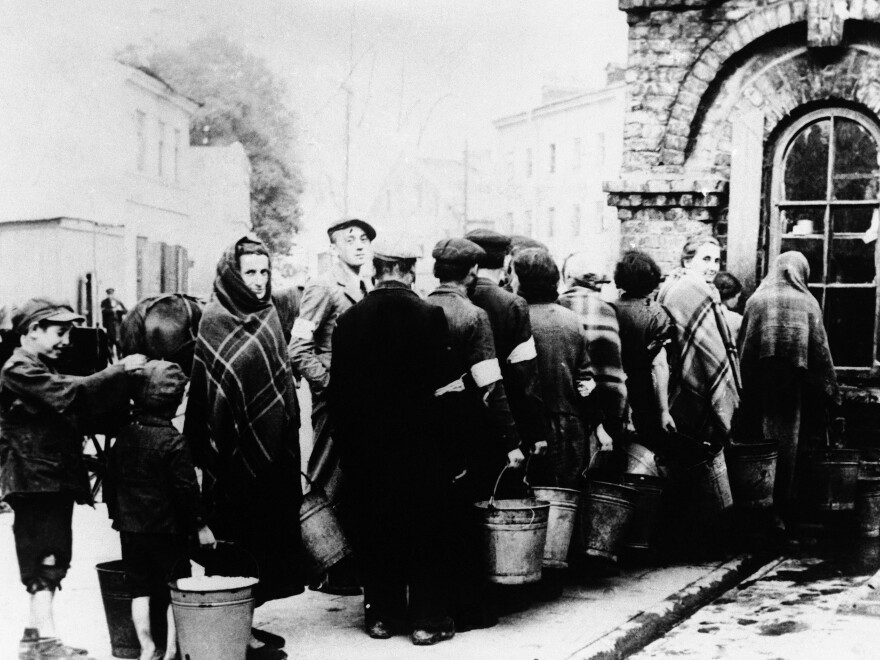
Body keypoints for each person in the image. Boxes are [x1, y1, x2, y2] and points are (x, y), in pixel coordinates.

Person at [0, 298, 145, 660]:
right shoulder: (19, 369)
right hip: (37, 482)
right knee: (46, 556)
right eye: (59, 331)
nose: (66, 340)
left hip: (47, 479)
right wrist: (120, 371)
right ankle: (43, 643)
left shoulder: (39, 366)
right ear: (33, 330)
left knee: (52, 555)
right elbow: (73, 393)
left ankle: (36, 639)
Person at [329, 236, 455, 646]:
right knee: (423, 531)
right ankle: (424, 621)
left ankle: (381, 617)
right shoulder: (430, 316)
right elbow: (444, 389)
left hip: (368, 450)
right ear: (408, 270)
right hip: (420, 448)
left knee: (375, 528)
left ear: (377, 270)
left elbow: (339, 396)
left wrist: (348, 451)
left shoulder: (350, 322)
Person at [185, 236, 304, 660]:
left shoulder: (270, 313)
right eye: (250, 272)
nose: (258, 281)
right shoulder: (214, 319)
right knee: (236, 537)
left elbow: (279, 380)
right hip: (231, 459)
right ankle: (236, 632)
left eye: (264, 271)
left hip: (272, 455)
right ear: (233, 274)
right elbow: (211, 393)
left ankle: (247, 621)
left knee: (266, 537)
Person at [426, 237, 523, 632]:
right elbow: (490, 385)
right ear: (471, 273)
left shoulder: (420, 307)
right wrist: (512, 440)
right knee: (464, 520)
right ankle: (465, 608)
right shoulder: (472, 315)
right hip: (463, 431)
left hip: (422, 429)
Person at [105, 360, 215, 660]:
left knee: (139, 590)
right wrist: (201, 525)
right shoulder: (174, 442)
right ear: (175, 402)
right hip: (168, 532)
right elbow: (187, 490)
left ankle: (147, 649)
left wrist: (118, 515)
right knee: (174, 588)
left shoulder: (124, 436)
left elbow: (110, 480)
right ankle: (170, 653)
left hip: (131, 530)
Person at [288, 218, 375, 595]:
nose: (358, 245)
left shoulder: (365, 285)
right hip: (334, 400)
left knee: (353, 478)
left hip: (359, 401)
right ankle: (323, 567)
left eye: (364, 239)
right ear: (334, 247)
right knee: (327, 478)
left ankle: (345, 564)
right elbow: (297, 350)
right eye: (349, 239)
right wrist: (331, 385)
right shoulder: (323, 286)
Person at [738, 251, 840, 535]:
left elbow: (744, 349)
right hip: (796, 390)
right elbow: (820, 352)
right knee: (790, 448)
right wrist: (832, 391)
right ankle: (784, 511)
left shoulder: (755, 301)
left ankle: (757, 511)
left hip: (758, 389)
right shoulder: (808, 303)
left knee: (758, 445)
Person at [465, 229, 550, 490]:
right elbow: (526, 376)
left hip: (463, 421)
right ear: (505, 262)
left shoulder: (457, 297)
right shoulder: (513, 304)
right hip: (507, 426)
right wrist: (536, 433)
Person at [512, 249, 596, 488]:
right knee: (566, 505)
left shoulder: (518, 319)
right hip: (570, 427)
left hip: (528, 429)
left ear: (522, 280)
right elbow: (586, 382)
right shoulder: (571, 320)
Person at [657, 235, 740, 450]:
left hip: (677, 377)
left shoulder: (681, 284)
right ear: (687, 261)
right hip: (685, 379)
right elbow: (710, 348)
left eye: (716, 261)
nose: (712, 267)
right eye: (705, 259)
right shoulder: (690, 290)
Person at [558, 252, 628, 441]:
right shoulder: (607, 310)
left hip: (565, 411)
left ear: (568, 277)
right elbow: (613, 367)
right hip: (605, 409)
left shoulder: (557, 306)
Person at [611, 250, 676, 453]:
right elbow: (659, 365)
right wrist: (664, 411)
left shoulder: (607, 309)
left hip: (612, 396)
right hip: (645, 398)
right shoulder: (657, 314)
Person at [713, 271, 744, 341]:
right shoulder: (737, 319)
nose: (737, 301)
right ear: (730, 296)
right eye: (737, 297)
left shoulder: (709, 312)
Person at [101, 288, 128, 359]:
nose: (110, 296)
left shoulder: (118, 302)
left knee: (118, 340)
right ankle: (111, 357)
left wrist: (120, 310)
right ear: (107, 295)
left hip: (117, 324)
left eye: (111, 294)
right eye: (109, 294)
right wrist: (112, 310)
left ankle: (120, 356)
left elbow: (126, 311)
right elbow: (103, 311)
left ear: (113, 294)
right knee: (110, 341)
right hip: (109, 324)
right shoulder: (104, 302)